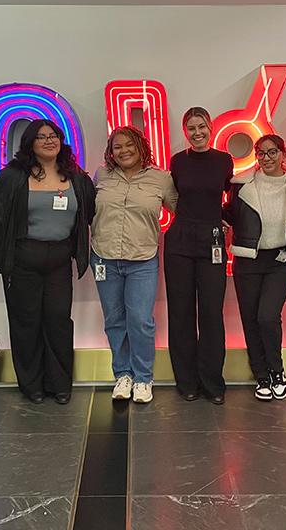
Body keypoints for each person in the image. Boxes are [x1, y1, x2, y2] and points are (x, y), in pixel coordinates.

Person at [0, 119, 95, 405]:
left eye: (53, 136)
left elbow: (90, 211)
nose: (49, 141)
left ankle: (59, 383)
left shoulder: (76, 176)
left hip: (60, 261)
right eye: (41, 137)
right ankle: (31, 385)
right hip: (23, 260)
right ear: (30, 144)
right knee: (26, 322)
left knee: (59, 320)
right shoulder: (13, 175)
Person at [91, 126, 178, 403]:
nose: (124, 151)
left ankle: (143, 378)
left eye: (129, 145)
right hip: (104, 258)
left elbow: (184, 211)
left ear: (141, 147)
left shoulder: (161, 179)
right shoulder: (101, 176)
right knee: (114, 320)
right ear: (110, 151)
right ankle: (123, 375)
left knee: (140, 321)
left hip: (142, 260)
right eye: (117, 147)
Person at [223, 134, 286, 401]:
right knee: (250, 319)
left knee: (267, 316)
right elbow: (228, 214)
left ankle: (278, 371)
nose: (267, 158)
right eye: (261, 153)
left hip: (281, 260)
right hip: (247, 259)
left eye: (272, 152)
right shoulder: (241, 184)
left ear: (284, 154)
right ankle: (262, 375)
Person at [164, 107, 234, 404]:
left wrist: (225, 219)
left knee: (211, 314)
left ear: (210, 127)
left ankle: (212, 382)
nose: (197, 133)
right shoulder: (178, 161)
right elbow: (174, 199)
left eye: (201, 127)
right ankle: (187, 381)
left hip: (212, 245)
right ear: (185, 131)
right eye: (191, 128)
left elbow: (232, 196)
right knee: (180, 314)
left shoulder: (224, 161)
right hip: (179, 243)